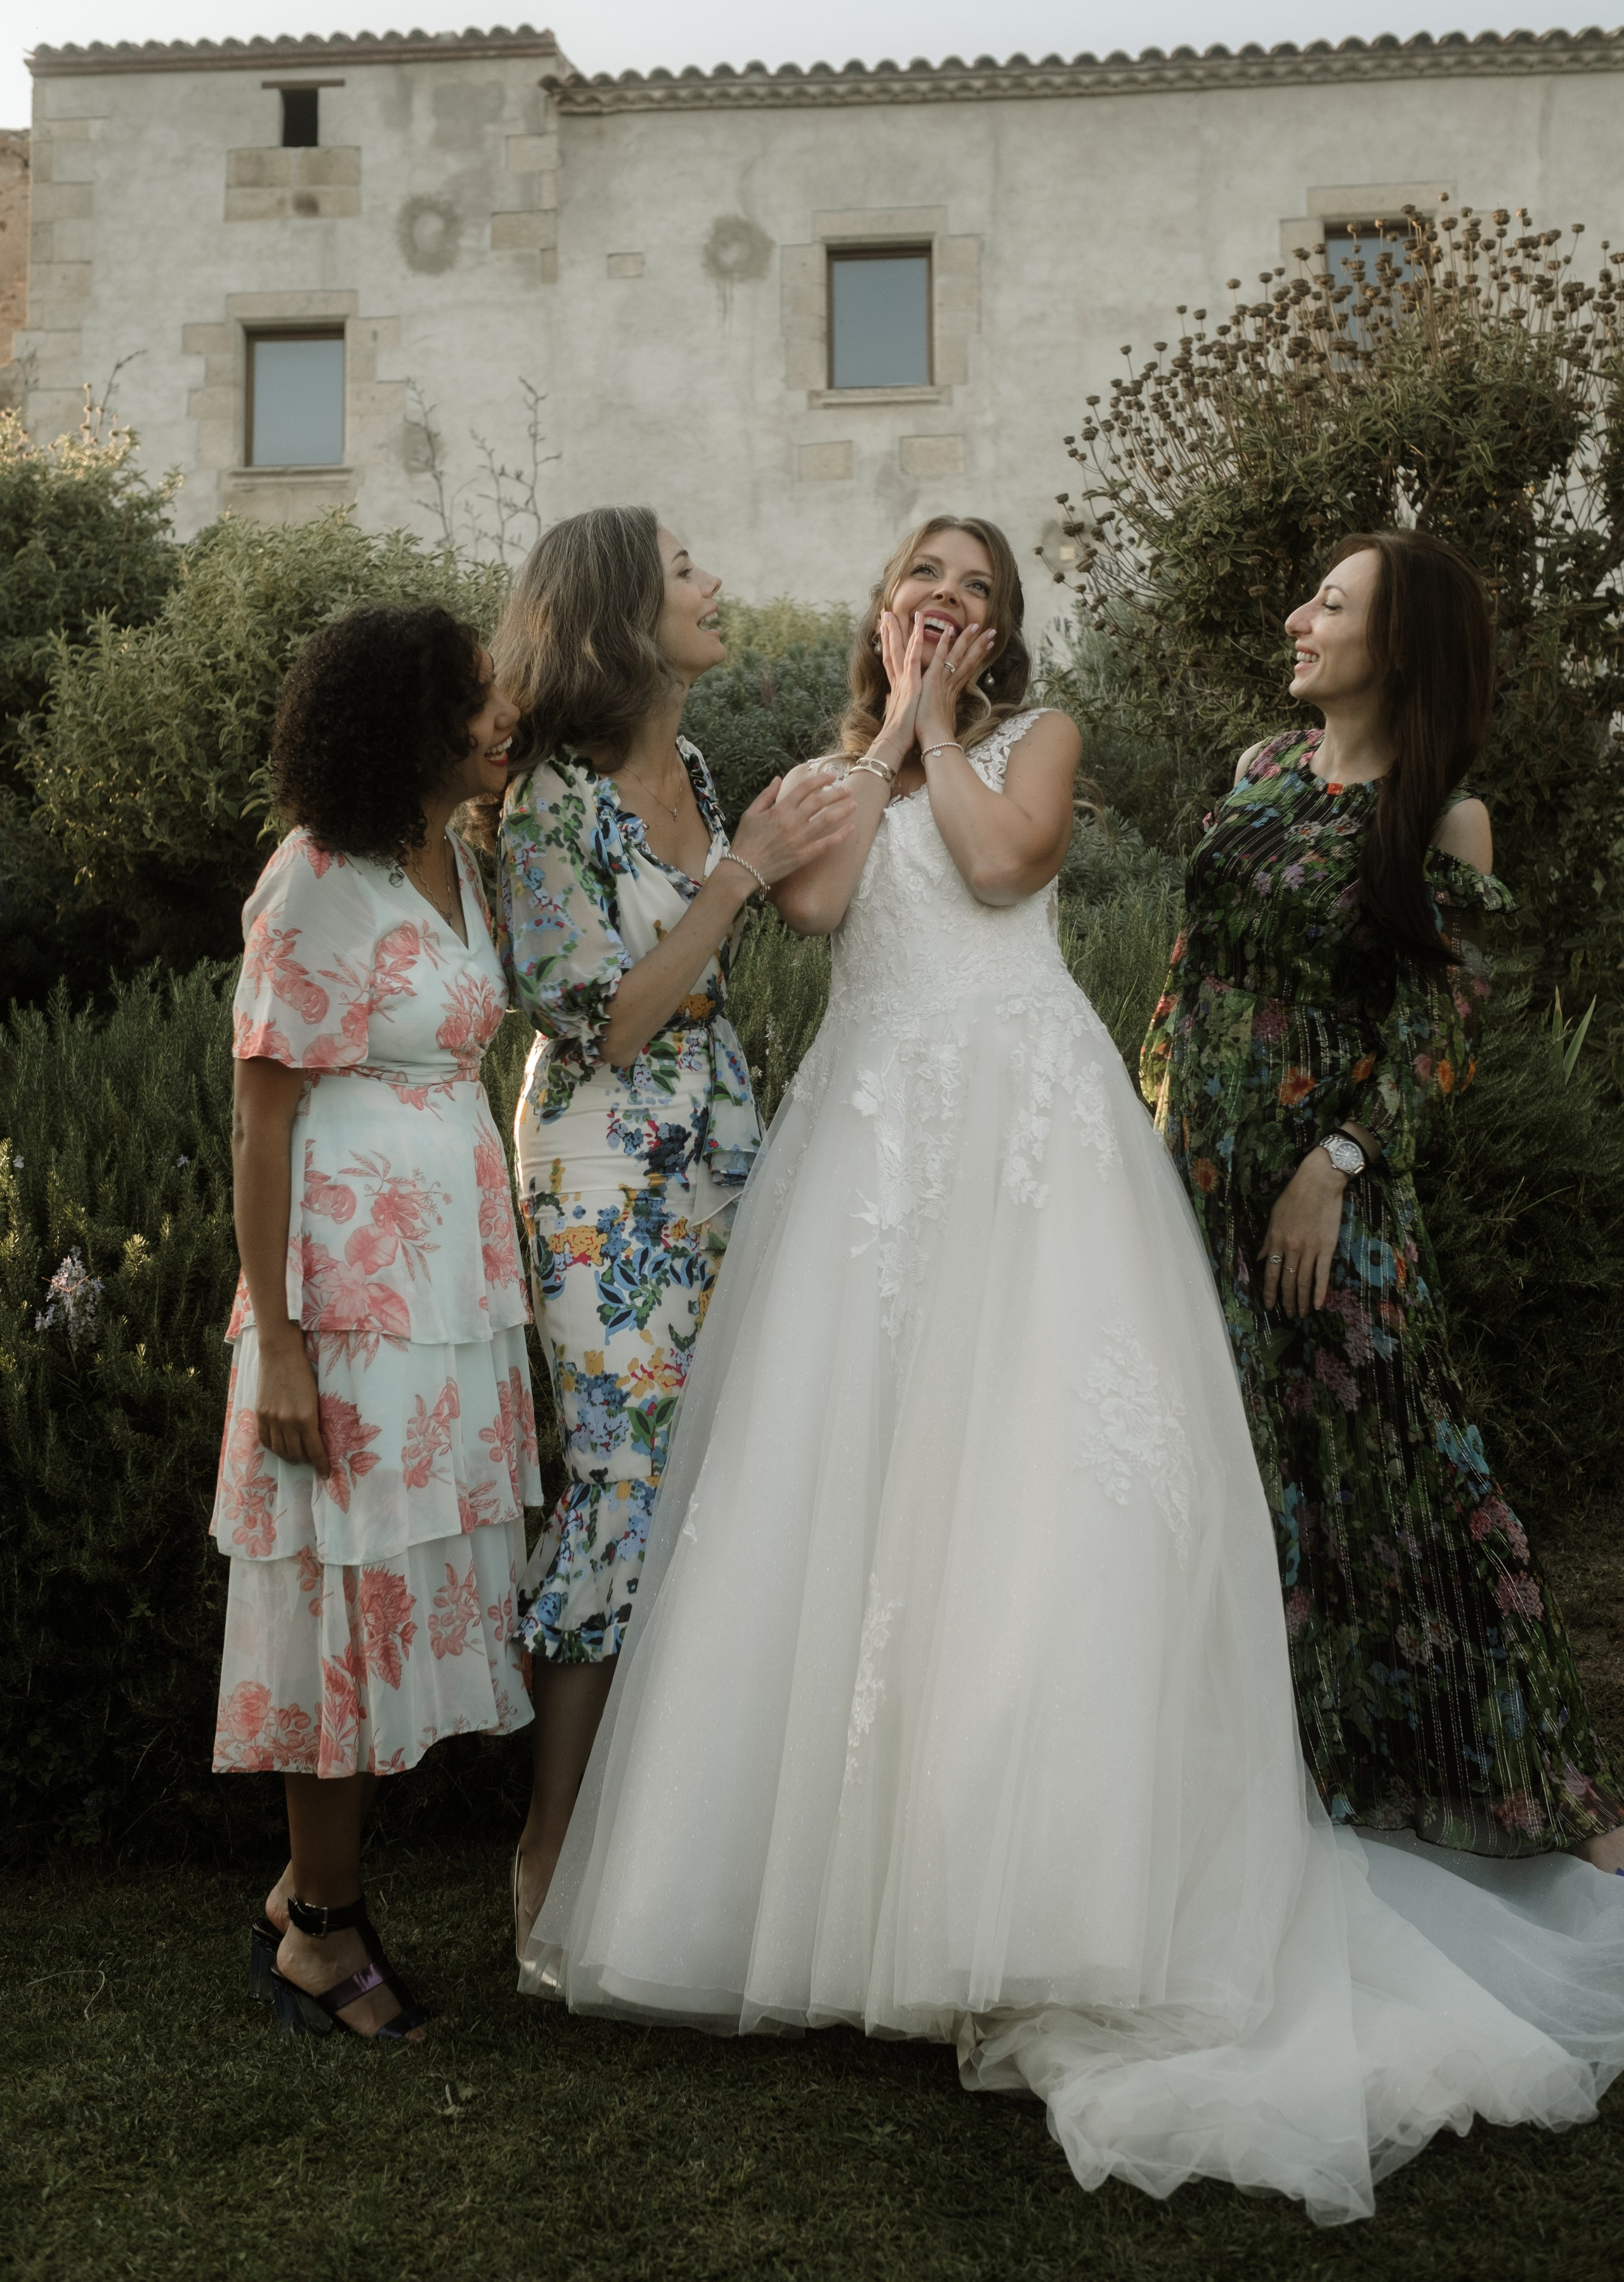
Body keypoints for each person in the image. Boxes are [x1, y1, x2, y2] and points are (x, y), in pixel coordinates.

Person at [519, 514, 1624, 2224]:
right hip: (873, 1147)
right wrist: (881, 743)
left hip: (1028, 1138)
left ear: (1003, 625)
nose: (944, 600)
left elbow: (1002, 871)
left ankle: (1041, 1890)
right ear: (885, 606)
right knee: (857, 1501)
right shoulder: (832, 771)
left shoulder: (1041, 737)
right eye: (921, 578)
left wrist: (938, 731)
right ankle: (839, 1904)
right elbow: (813, 906)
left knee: (1035, 1502)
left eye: (974, 587)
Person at [1143, 530, 1624, 1870]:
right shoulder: (1261, 769)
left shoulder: (1441, 815)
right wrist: (1148, 1122)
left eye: (1329, 604)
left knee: (1402, 1474)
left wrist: (1336, 1165)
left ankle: (1556, 1806)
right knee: (1243, 1477)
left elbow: (1435, 1037)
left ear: (1397, 645)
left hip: (1328, 1202)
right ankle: (1297, 1779)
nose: (1297, 621)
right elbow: (1189, 972)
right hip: (1196, 1180)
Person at [493, 506, 855, 1955]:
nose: (715, 585)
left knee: (722, 1466)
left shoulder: (694, 772)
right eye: (686, 571)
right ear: (618, 616)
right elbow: (612, 1019)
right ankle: (550, 1848)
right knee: (623, 1482)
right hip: (602, 1166)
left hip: (719, 1137)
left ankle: (677, 1849)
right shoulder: (546, 804)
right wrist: (740, 872)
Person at [216, 601, 540, 2044]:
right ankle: (322, 1932)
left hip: (448, 1290)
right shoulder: (315, 879)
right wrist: (280, 1344)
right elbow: (260, 1120)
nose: (504, 715)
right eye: (477, 697)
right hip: (344, 1298)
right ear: (408, 723)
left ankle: (307, 1889)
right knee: (338, 1596)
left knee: (399, 1583)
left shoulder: (460, 856)